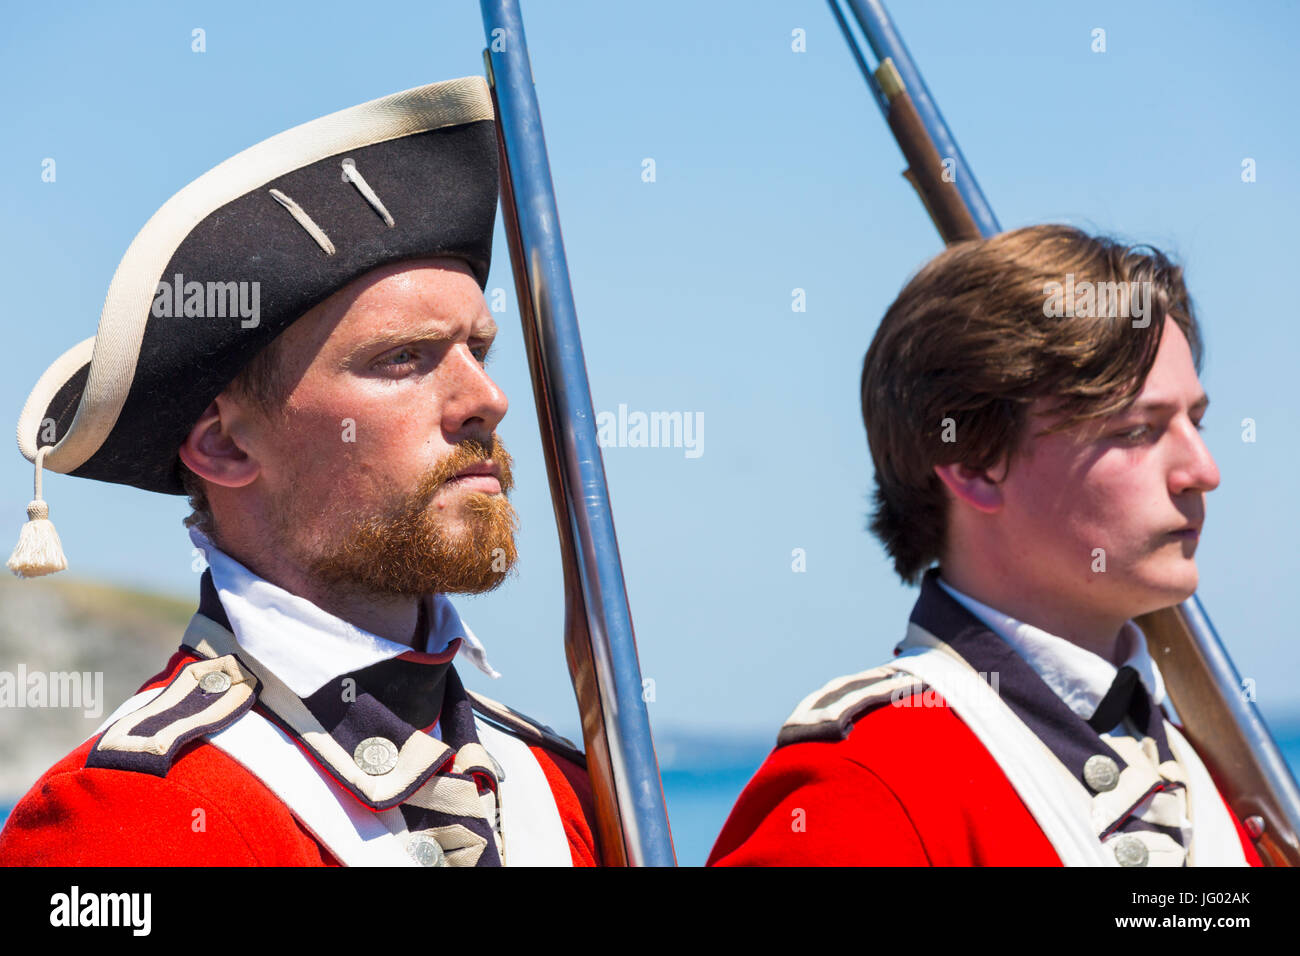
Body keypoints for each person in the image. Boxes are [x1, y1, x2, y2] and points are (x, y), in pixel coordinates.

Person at [0, 77, 598, 867]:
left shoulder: (561, 788)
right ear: (225, 446)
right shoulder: (134, 823)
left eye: (478, 351)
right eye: (402, 359)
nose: (485, 400)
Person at [710, 224, 1261, 867]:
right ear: (972, 464)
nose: (1204, 470)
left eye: (1195, 422)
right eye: (1138, 430)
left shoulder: (1213, 778)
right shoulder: (862, 788)